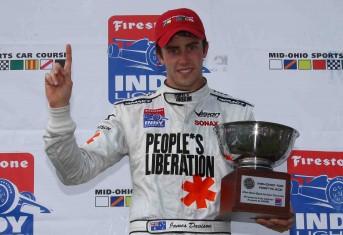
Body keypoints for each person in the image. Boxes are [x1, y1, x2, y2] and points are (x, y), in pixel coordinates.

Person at [44, 8, 294, 234]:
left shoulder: (237, 113)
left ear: (205, 49)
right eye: (173, 50)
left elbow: (254, 187)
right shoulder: (131, 112)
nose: (183, 59)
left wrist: (273, 208)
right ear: (159, 56)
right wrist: (59, 111)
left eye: (191, 47)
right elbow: (74, 172)